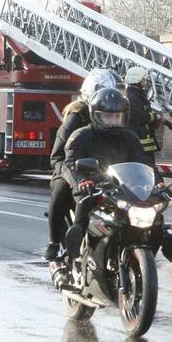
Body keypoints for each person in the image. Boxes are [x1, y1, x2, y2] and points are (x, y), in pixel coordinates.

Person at [44, 68, 121, 261]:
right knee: (60, 191)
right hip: (71, 170)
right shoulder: (76, 118)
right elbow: (57, 157)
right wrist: (77, 180)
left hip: (103, 170)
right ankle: (54, 243)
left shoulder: (116, 115)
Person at [63, 87, 152, 252]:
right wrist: (82, 180)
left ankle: (164, 237)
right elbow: (71, 162)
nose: (113, 121)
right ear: (96, 115)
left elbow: (145, 163)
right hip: (93, 185)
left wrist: (158, 183)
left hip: (123, 187)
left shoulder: (130, 137)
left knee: (153, 207)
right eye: (108, 116)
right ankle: (77, 240)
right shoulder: (81, 135)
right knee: (85, 200)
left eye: (117, 117)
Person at [124, 66, 172, 168]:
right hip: (140, 145)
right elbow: (141, 117)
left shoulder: (138, 95)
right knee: (146, 170)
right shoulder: (132, 97)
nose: (145, 82)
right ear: (137, 79)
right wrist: (155, 117)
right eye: (143, 79)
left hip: (145, 145)